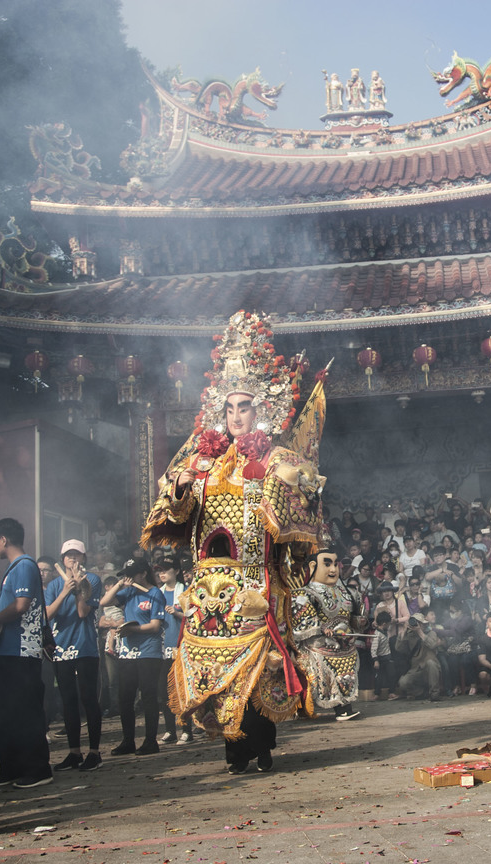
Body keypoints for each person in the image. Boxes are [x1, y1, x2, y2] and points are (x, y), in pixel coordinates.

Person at [141, 311, 328, 776]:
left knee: (259, 668)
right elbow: (173, 514)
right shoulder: (203, 461)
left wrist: (271, 482)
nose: (236, 416)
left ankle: (261, 748)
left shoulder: (277, 458)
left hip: (257, 584)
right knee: (220, 677)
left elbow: (303, 508)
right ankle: (234, 752)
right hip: (209, 592)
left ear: (260, 409)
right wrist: (182, 486)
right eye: (229, 408)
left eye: (244, 407)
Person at [0, 517, 51, 789]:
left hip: (23, 651)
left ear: (3, 539)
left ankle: (38, 768)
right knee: (6, 713)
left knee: (26, 712)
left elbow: (21, 605)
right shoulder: (13, 568)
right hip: (7, 651)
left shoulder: (24, 566)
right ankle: (9, 768)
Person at [45, 539, 103, 772]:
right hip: (61, 648)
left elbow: (82, 612)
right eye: (69, 556)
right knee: (68, 701)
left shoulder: (94, 580)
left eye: (77, 555)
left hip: (85, 647)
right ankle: (73, 752)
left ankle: (95, 752)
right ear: (62, 559)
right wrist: (64, 591)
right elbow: (47, 615)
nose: (73, 559)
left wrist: (79, 587)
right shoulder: (53, 585)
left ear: (83, 558)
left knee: (88, 698)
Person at [291, 547, 367, 721]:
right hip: (319, 645)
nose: (333, 569)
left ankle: (344, 707)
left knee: (347, 673)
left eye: (335, 564)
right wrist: (322, 630)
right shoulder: (304, 594)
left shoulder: (347, 592)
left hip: (345, 643)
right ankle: (340, 708)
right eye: (327, 564)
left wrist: (359, 622)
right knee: (325, 669)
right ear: (312, 566)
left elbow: (354, 618)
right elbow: (303, 622)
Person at [100, 556, 166, 754]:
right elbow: (104, 601)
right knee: (125, 697)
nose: (129, 578)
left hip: (149, 651)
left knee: (148, 696)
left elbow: (155, 626)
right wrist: (120, 583)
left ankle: (150, 741)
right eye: (126, 575)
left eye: (132, 574)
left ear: (143, 573)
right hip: (128, 652)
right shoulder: (128, 592)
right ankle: (128, 740)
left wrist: (133, 629)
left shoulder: (155, 594)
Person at [156, 554, 192, 743]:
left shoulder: (185, 592)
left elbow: (194, 617)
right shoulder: (157, 593)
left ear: (176, 571)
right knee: (164, 690)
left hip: (182, 647)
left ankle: (187, 730)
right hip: (162, 648)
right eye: (160, 570)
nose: (162, 573)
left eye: (166, 570)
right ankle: (170, 730)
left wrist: (178, 614)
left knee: (183, 690)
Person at [395, 613, 444, 700]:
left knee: (431, 663)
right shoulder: (410, 636)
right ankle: (422, 693)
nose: (416, 624)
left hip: (430, 669)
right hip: (416, 669)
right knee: (403, 682)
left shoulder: (431, 633)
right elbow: (399, 649)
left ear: (423, 624)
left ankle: (434, 694)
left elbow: (432, 644)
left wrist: (420, 632)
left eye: (418, 622)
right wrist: (403, 634)